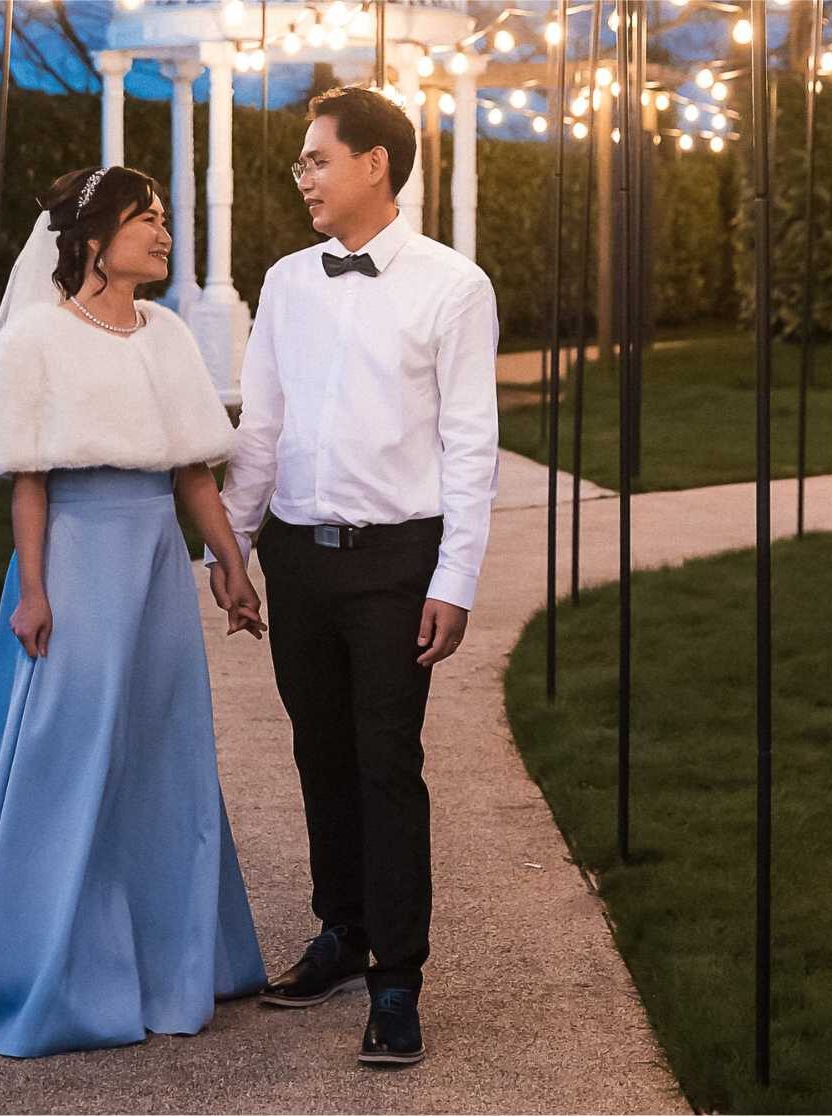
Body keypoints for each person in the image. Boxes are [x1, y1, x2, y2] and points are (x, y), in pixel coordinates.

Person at [0, 165, 270, 1058]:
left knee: (162, 748)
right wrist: (32, 591)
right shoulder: (37, 340)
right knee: (69, 756)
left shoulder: (170, 334)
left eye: (164, 220)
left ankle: (167, 963)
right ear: (94, 239)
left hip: (153, 565)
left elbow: (193, 470)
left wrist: (232, 567)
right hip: (76, 562)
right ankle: (47, 969)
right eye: (145, 220)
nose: (163, 234)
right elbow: (29, 479)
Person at [206, 86, 500, 1067]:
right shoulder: (287, 281)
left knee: (387, 763)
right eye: (301, 161)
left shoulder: (455, 287)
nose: (303, 176)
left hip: (394, 562)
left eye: (316, 158)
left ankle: (399, 980)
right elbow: (263, 428)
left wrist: (454, 577)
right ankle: (342, 933)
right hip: (296, 553)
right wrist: (233, 549)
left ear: (375, 162)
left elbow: (470, 445)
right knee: (318, 752)